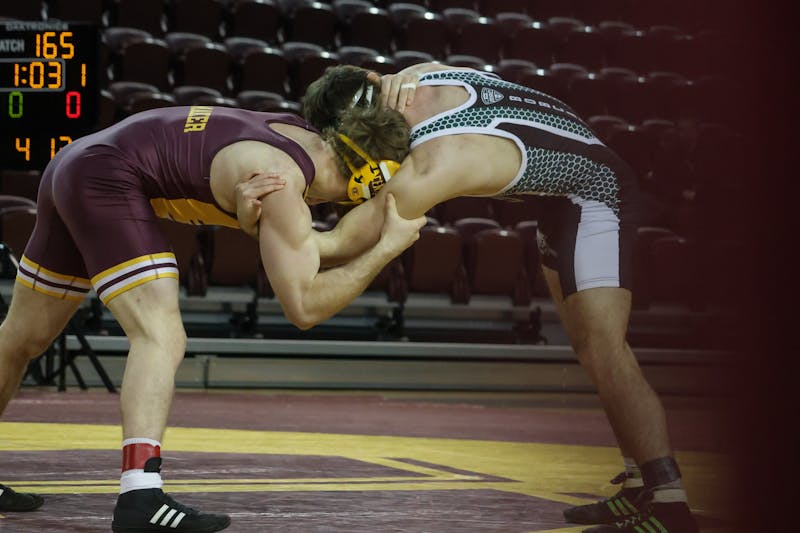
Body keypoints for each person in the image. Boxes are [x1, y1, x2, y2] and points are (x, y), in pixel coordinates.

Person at [297, 63, 699, 533]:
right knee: (592, 350)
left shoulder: (437, 161)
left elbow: (341, 243)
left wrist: (267, 217)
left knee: (606, 350)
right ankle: (637, 486)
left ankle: (670, 505)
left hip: (596, 192)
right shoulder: (422, 77)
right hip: (561, 196)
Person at [0, 104, 425, 532]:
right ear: (370, 180)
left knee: (21, 337)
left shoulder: (295, 134)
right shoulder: (281, 184)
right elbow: (305, 307)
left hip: (73, 162)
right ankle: (140, 495)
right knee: (160, 336)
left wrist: (245, 219)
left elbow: (301, 240)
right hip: (107, 178)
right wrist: (385, 250)